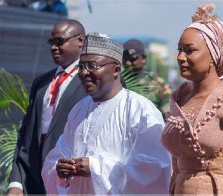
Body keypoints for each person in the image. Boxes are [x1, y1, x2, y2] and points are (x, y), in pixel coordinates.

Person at [41, 32, 171, 194]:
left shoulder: (140, 110)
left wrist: (95, 167)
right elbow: (59, 154)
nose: (83, 73)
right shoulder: (79, 109)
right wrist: (59, 168)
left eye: (92, 66)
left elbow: (155, 169)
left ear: (116, 70)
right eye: (81, 67)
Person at [161, 3, 223, 194]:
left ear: (214, 55)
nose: (180, 57)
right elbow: (176, 169)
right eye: (179, 50)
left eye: (190, 50)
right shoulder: (179, 101)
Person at [7, 19, 87, 194]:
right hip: (34, 181)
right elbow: (26, 137)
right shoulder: (42, 83)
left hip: (71, 181)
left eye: (59, 41)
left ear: (80, 41)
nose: (53, 47)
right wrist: (16, 182)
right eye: (51, 42)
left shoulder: (91, 82)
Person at [122, 39, 172, 117]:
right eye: (125, 59)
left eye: (133, 59)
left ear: (144, 58)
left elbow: (168, 113)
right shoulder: (117, 82)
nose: (128, 63)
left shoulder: (157, 83)